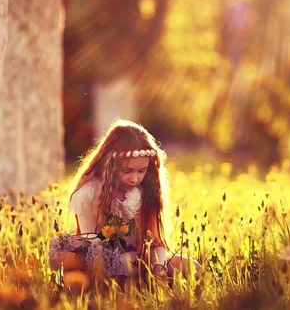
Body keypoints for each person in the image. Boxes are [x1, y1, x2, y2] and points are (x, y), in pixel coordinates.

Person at [57, 118, 199, 282]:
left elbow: (156, 242)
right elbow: (90, 247)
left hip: (142, 259)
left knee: (192, 266)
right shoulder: (87, 194)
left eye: (141, 171)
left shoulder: (144, 192)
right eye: (127, 171)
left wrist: (158, 267)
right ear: (109, 164)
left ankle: (151, 282)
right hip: (102, 263)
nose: (134, 178)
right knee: (122, 269)